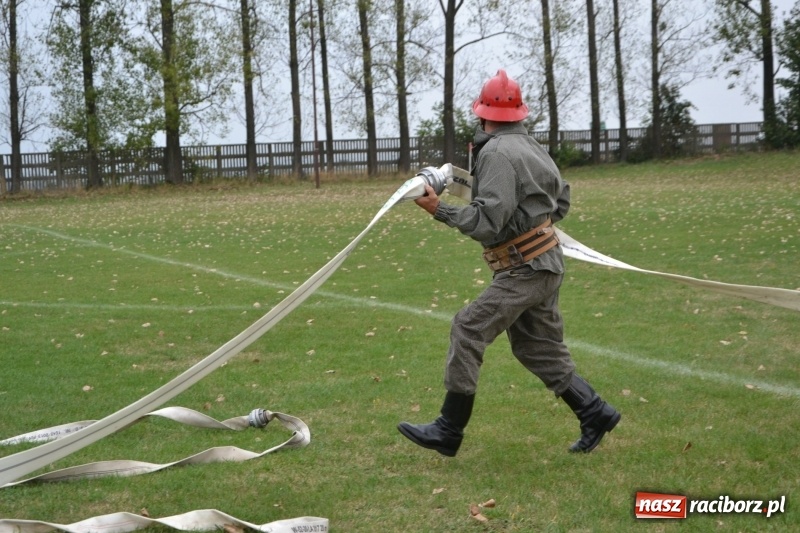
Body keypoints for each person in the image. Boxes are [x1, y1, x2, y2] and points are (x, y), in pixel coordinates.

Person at [397, 69, 620, 457]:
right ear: (519, 113)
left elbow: (487, 222)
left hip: (524, 270)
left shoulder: (496, 154)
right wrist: (532, 227)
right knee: (537, 349)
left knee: (468, 327)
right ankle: (594, 412)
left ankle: (449, 429)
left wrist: (439, 209)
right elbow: (560, 203)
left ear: (482, 115)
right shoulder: (535, 148)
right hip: (545, 264)